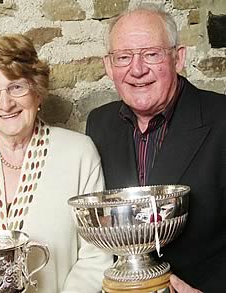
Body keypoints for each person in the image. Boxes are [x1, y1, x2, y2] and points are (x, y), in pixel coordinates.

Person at [0, 34, 112, 293]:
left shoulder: (78, 154)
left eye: (16, 87)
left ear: (36, 90)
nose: (6, 103)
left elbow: (95, 257)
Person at [86, 4, 226, 292]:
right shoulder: (99, 124)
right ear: (108, 66)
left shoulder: (222, 118)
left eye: (151, 54)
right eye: (123, 57)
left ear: (178, 58)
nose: (137, 70)